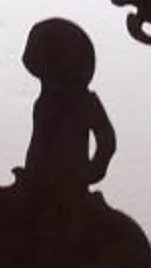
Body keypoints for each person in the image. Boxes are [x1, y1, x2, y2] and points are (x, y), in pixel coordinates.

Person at [15, 18, 115, 198]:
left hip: (70, 187)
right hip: (37, 183)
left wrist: (92, 171)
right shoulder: (45, 101)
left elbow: (106, 140)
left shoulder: (85, 102)